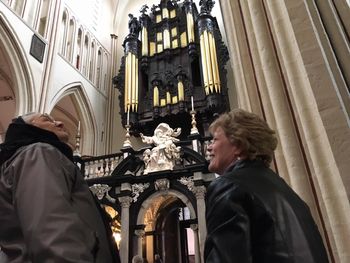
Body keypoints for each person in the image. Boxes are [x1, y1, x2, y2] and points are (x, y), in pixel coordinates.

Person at [204, 109, 329, 263]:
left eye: (215, 140)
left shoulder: (228, 186)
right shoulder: (285, 189)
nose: (209, 147)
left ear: (238, 145)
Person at [0, 113, 120, 262]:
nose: (60, 123)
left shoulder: (41, 156)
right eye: (46, 120)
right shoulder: (38, 153)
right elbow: (51, 230)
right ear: (27, 128)